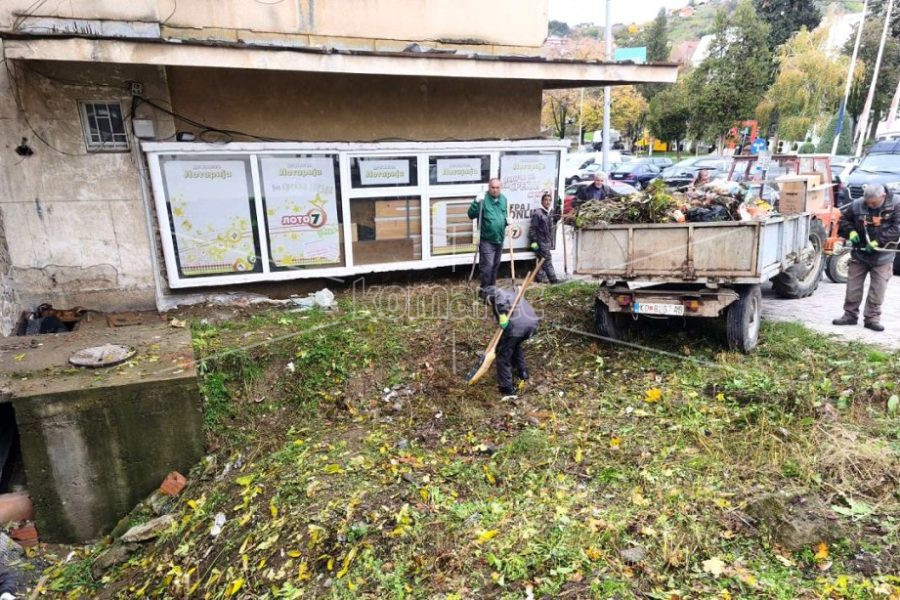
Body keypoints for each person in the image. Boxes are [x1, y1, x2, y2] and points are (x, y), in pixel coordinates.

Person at [832, 184, 899, 332]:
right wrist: (850, 232)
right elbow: (844, 220)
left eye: (873, 203)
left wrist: (878, 241)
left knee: (878, 288)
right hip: (860, 253)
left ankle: (872, 318)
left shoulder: (896, 205)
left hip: (883, 254)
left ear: (883, 196)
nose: (870, 205)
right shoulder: (857, 205)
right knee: (853, 286)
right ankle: (849, 315)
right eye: (867, 202)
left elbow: (897, 228)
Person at [483, 285, 539, 398]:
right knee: (514, 345)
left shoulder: (498, 294)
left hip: (517, 327)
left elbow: (500, 304)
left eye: (487, 301)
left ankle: (507, 388)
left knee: (503, 356)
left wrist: (502, 316)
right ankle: (523, 373)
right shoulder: (512, 294)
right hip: (532, 325)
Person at [468, 178, 508, 293]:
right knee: (487, 266)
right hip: (486, 240)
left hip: (499, 239)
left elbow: (503, 216)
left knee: (495, 265)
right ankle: (484, 290)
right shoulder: (483, 200)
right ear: (488, 187)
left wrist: (507, 221)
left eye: (497, 188)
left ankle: (492, 287)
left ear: (500, 188)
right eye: (493, 187)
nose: (495, 190)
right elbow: (471, 214)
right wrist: (476, 201)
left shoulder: (504, 199)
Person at [529, 191, 561, 284]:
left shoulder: (549, 212)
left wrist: (557, 217)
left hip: (546, 242)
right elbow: (532, 229)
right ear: (542, 201)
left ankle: (539, 278)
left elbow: (553, 224)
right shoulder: (538, 213)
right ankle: (554, 280)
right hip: (540, 242)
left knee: (541, 261)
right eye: (546, 200)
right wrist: (534, 243)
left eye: (549, 200)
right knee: (547, 260)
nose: (548, 202)